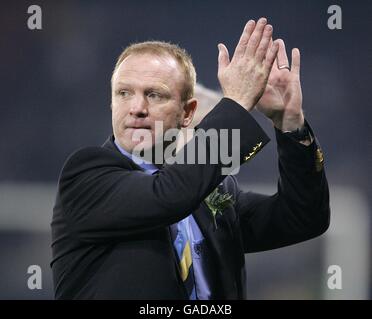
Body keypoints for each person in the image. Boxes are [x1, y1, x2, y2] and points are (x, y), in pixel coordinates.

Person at [51, 18, 330, 299]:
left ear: (187, 114)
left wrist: (290, 123)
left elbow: (302, 218)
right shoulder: (86, 174)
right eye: (123, 93)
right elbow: (170, 195)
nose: (137, 108)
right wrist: (235, 103)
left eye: (154, 95)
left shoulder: (211, 192)